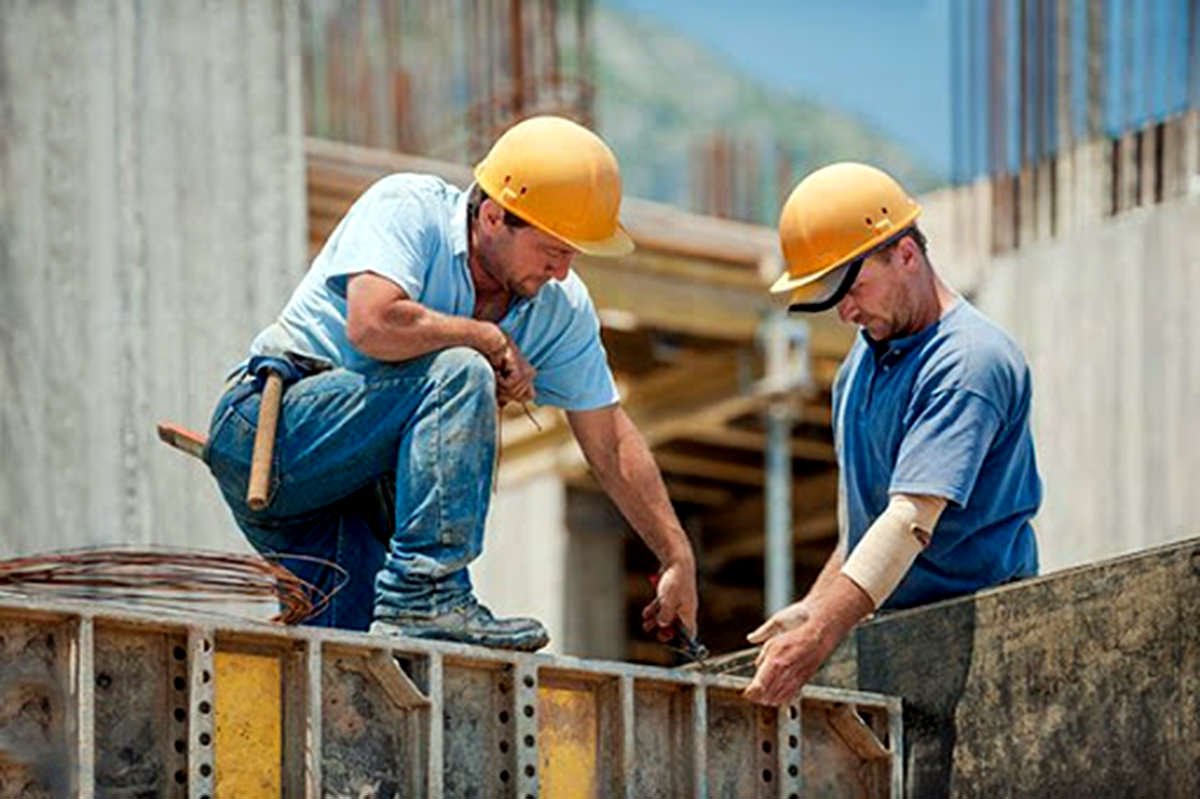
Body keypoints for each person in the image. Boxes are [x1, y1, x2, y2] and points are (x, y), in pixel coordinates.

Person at [204, 115, 698, 651]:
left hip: (351, 501)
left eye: (572, 255)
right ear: (492, 216)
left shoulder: (560, 307)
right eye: (552, 250)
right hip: (271, 433)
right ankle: (427, 596)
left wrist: (676, 554)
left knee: (349, 664)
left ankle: (412, 608)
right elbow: (371, 323)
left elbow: (611, 440)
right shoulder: (409, 209)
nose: (561, 270)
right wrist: (481, 337)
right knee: (461, 370)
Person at [743, 163, 1041, 705]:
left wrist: (821, 635)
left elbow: (909, 521)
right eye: (833, 297)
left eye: (852, 287)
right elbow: (866, 530)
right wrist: (814, 607)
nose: (845, 311)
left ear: (906, 254)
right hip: (903, 639)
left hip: (985, 639)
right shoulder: (859, 369)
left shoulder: (968, 362)